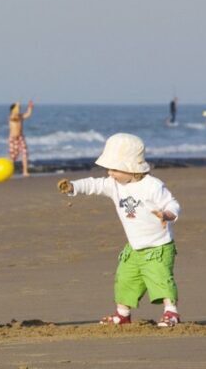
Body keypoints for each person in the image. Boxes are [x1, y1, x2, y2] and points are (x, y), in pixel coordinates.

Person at [56, 133, 182, 327]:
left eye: (115, 169)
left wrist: (167, 214)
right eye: (108, 168)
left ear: (131, 167)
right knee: (125, 279)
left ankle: (171, 313)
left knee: (160, 279)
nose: (110, 173)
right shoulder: (114, 185)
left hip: (158, 246)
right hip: (134, 247)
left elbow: (172, 203)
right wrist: (73, 187)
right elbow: (94, 184)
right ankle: (123, 314)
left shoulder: (152, 186)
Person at [8, 100, 34, 176]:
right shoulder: (11, 116)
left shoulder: (20, 116)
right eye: (17, 108)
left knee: (25, 153)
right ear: (13, 110)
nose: (18, 110)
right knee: (13, 156)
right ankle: (10, 171)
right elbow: (14, 117)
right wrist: (17, 105)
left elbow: (28, 114)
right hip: (13, 138)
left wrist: (30, 107)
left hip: (20, 137)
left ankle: (25, 171)